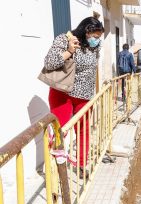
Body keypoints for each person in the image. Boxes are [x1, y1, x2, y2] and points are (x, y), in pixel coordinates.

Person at [44, 17, 104, 178]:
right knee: (60, 131)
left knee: (83, 131)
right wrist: (69, 51)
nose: (96, 41)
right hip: (63, 94)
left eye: (99, 38)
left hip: (84, 96)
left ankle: (83, 165)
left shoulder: (96, 47)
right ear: (86, 31)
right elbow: (49, 63)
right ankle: (54, 168)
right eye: (95, 37)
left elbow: (92, 70)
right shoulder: (64, 39)